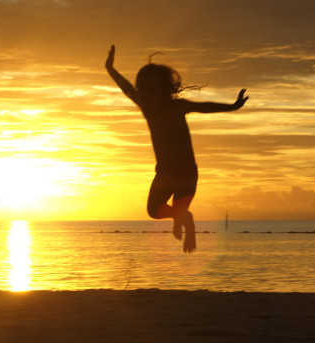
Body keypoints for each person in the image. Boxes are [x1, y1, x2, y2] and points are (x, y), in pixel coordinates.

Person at [105, 45, 248, 253]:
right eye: (143, 90)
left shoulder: (177, 106)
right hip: (165, 173)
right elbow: (126, 87)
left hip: (186, 173)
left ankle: (184, 221)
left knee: (178, 210)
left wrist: (232, 106)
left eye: (153, 89)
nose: (146, 95)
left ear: (165, 90)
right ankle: (180, 218)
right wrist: (110, 69)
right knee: (153, 210)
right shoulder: (146, 107)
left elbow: (205, 107)